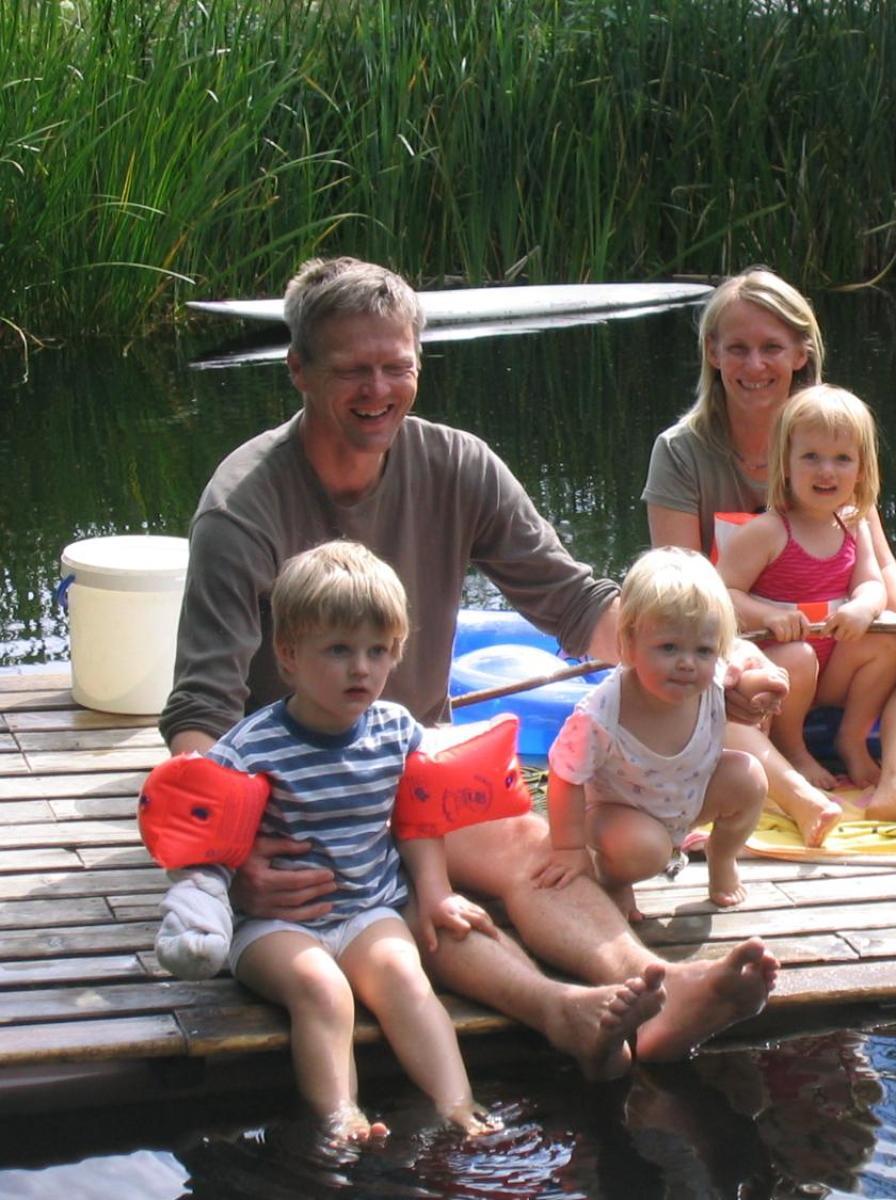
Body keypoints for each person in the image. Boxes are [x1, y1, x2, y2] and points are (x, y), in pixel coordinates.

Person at [159, 256, 780, 1079]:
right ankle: (561, 1010)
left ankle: (657, 992)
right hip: (287, 787)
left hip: (410, 752)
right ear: (298, 370)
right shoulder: (243, 507)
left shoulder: (458, 464)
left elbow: (572, 602)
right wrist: (231, 856)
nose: (379, 389)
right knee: (402, 905)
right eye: (352, 370)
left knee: (532, 845)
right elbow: (200, 713)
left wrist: (715, 655)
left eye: (397, 366)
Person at [643, 267, 896, 839]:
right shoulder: (680, 452)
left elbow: (880, 564)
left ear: (801, 352)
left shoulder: (833, 437)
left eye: (772, 348)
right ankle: (796, 789)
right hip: (738, 642)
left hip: (829, 648)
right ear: (713, 353)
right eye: (739, 349)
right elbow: (683, 591)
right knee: (691, 693)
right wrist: (742, 651)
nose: (755, 367)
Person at [203, 541, 499, 1141]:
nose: (361, 668)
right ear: (288, 655)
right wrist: (233, 886)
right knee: (322, 990)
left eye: (377, 650)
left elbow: (416, 820)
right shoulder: (248, 751)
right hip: (275, 926)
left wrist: (435, 892)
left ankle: (458, 1105)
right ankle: (340, 1119)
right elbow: (203, 843)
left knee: (405, 976)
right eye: (338, 650)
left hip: (367, 910)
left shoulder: (396, 731)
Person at [540, 548, 766, 919]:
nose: (687, 663)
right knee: (644, 850)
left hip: (687, 800)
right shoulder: (602, 714)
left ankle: (721, 855)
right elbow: (564, 775)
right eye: (669, 647)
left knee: (749, 777)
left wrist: (767, 682)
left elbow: (745, 667)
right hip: (620, 814)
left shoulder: (712, 679)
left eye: (703, 649)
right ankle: (614, 880)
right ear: (629, 643)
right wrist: (568, 848)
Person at [716, 384, 896, 791]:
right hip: (782, 664)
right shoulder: (768, 531)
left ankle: (852, 739)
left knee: (891, 634)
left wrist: (863, 608)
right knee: (799, 656)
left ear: (861, 469)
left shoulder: (854, 524)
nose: (827, 471)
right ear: (784, 464)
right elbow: (721, 595)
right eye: (811, 457)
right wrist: (769, 615)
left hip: (834, 665)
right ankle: (793, 748)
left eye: (842, 459)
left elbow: (872, 582)